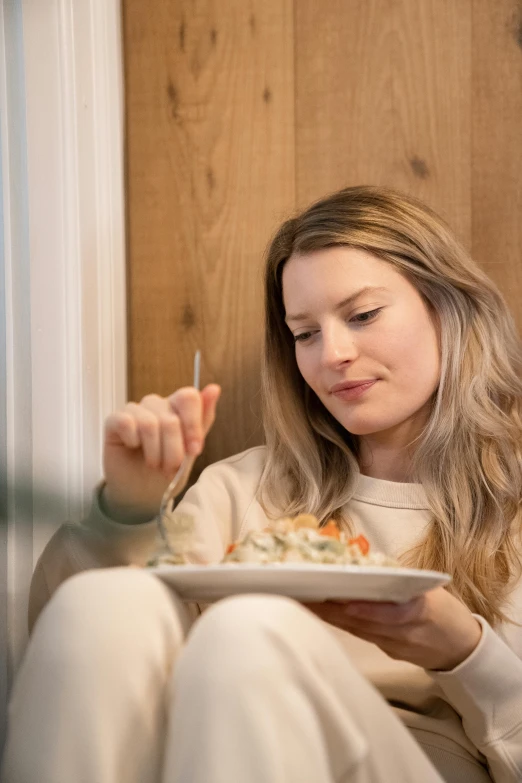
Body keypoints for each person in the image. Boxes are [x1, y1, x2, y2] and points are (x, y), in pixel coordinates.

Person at [2, 186, 522, 783]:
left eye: (363, 315)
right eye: (305, 333)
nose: (334, 355)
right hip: (217, 752)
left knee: (247, 630)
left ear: (448, 307)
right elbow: (67, 648)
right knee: (102, 601)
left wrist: (467, 654)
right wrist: (128, 509)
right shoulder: (245, 488)